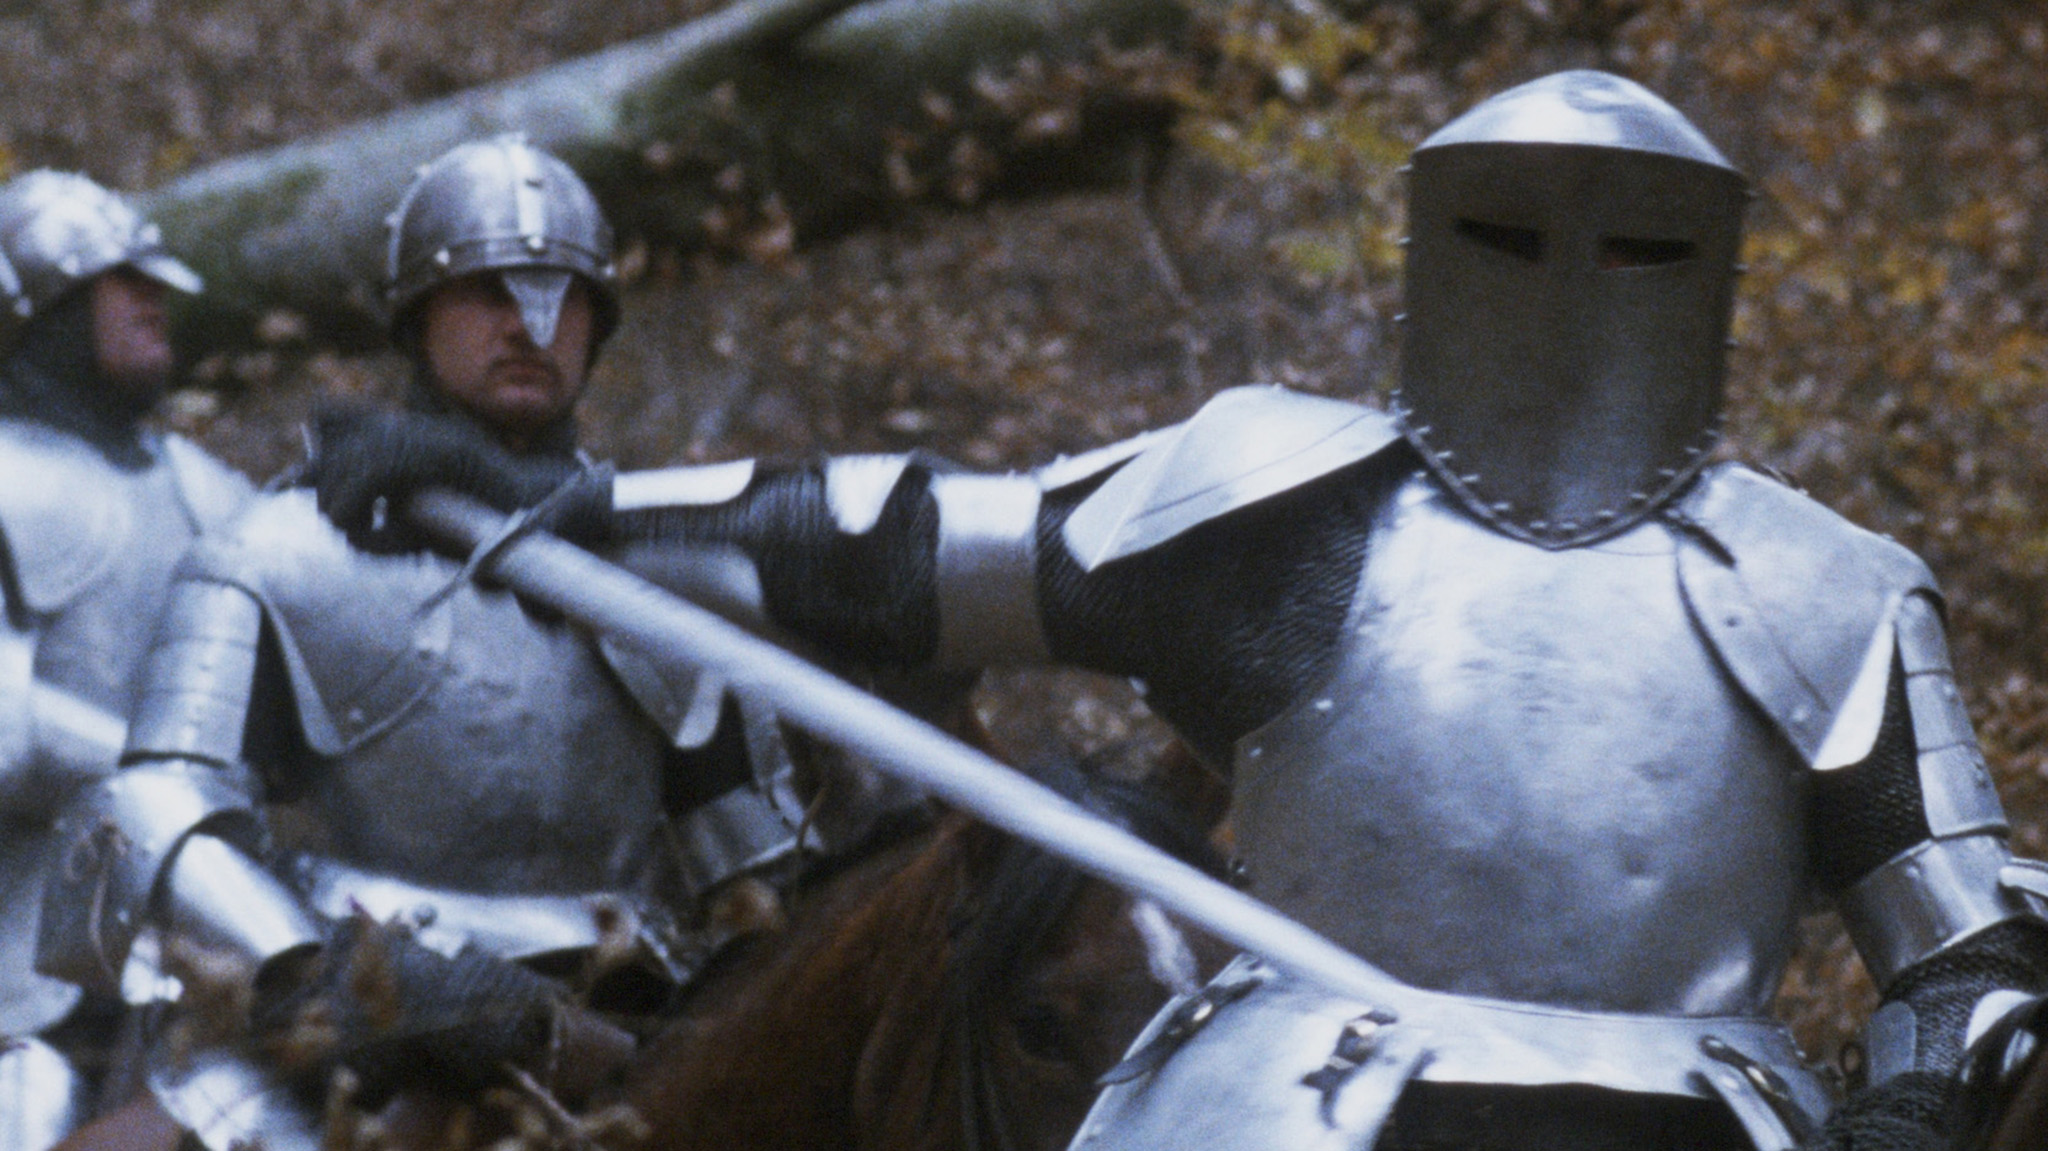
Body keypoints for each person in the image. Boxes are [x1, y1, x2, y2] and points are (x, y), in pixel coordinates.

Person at [310, 73, 2048, 1149]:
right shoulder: (1288, 510)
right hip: (1287, 1114)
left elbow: (1970, 952)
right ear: (1438, 246)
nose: (1575, 292)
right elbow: (910, 542)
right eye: (1517, 239)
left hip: (1695, 1124)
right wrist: (577, 510)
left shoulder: (1825, 590)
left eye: (1638, 250)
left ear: (1712, 264)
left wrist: (1913, 1107)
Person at [36, 135, 922, 1148]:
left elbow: (761, 882)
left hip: (623, 1029)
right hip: (353, 1034)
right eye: (490, 292)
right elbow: (147, 817)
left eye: (563, 297)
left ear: (597, 326)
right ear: (420, 317)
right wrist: (334, 975)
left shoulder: (656, 570)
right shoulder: (274, 553)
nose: (528, 325)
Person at [0, 171, 253, 1150]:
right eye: (122, 279)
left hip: (214, 946)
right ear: (44, 303)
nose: (156, 300)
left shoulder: (209, 492)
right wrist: (163, 778)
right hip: (24, 973)